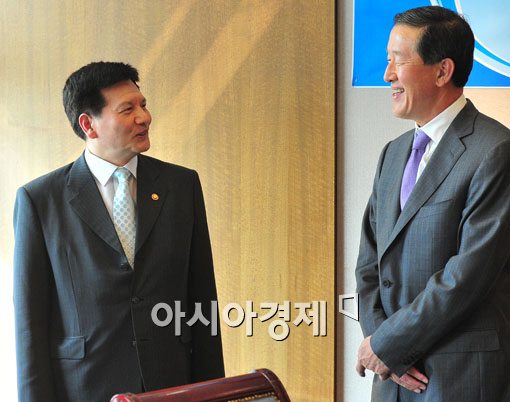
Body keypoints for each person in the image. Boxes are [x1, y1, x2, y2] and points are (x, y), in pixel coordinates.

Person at [13, 61, 224, 402]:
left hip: (171, 385)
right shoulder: (40, 200)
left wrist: (214, 393)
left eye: (143, 104)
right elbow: (30, 325)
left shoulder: (181, 185)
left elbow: (202, 299)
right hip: (85, 388)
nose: (144, 117)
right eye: (127, 109)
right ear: (88, 124)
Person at [355, 6, 510, 402]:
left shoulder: (494, 150)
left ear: (442, 71)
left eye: (398, 60)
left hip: (457, 379)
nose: (387, 74)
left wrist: (388, 345)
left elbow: (466, 277)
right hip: (392, 378)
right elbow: (370, 265)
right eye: (387, 60)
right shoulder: (392, 154)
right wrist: (383, 345)